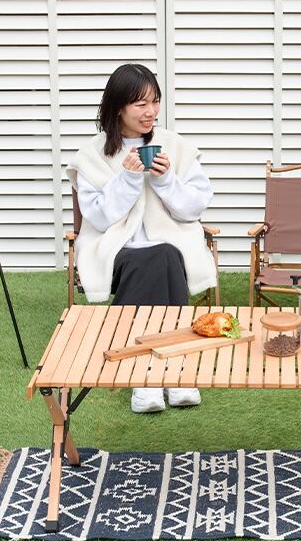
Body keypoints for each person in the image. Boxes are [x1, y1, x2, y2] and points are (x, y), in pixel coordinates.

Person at [66, 63, 217, 414]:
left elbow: (195, 207)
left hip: (169, 248)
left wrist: (166, 181)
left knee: (163, 255)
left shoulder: (174, 146)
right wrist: (128, 179)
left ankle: (145, 376)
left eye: (155, 101)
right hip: (115, 250)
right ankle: (175, 371)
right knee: (156, 258)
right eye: (141, 104)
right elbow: (98, 218)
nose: (151, 111)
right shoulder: (92, 154)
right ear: (119, 107)